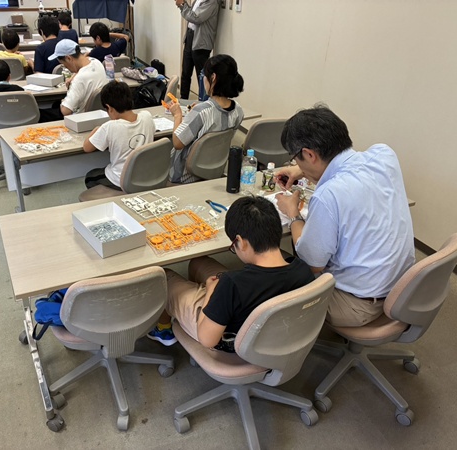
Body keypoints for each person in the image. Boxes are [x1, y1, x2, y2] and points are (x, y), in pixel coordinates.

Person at [275, 105, 415, 327]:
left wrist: (293, 214)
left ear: (310, 154)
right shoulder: (384, 155)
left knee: (272, 275)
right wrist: (304, 170)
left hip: (357, 304)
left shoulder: (328, 194)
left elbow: (313, 265)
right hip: (404, 289)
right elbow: (346, 163)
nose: (295, 164)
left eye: (295, 159)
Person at [147, 196, 315, 348]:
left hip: (232, 342)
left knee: (164, 276)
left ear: (241, 242)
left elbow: (207, 340)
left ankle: (164, 330)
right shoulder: (303, 270)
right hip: (277, 334)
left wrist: (211, 292)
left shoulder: (232, 285)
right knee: (199, 262)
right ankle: (203, 310)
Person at [166, 54, 244, 184]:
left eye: (204, 76)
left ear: (213, 77)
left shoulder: (201, 111)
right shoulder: (238, 110)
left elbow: (177, 143)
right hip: (213, 170)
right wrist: (195, 113)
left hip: (185, 176)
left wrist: (177, 115)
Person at [82, 80, 155, 190]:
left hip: (120, 180)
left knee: (90, 177)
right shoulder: (147, 116)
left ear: (109, 108)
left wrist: (96, 129)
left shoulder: (109, 127)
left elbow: (86, 147)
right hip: (146, 176)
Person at [40, 39, 108, 122]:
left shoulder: (79, 79)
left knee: (41, 114)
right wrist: (73, 76)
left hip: (80, 118)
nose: (66, 68)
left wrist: (64, 101)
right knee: (55, 104)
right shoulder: (96, 62)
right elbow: (83, 68)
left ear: (68, 58)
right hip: (99, 113)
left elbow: (65, 111)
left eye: (64, 64)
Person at [175, 0, 219, 100]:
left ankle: (204, 102)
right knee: (185, 72)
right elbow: (191, 14)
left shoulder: (211, 2)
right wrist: (182, 5)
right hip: (190, 36)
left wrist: (183, 5)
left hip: (201, 42)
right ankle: (183, 100)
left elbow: (196, 18)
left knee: (203, 76)